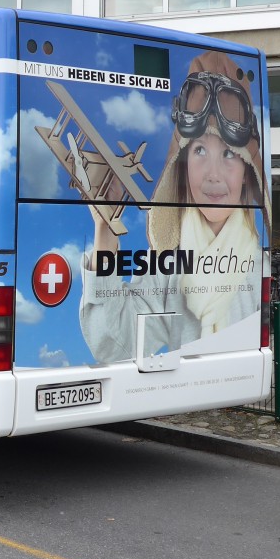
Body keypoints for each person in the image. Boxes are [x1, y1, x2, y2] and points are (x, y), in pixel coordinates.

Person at [80, 51, 266, 362]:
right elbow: (115, 346)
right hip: (191, 405)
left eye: (230, 153)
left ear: (249, 171)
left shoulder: (259, 266)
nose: (213, 175)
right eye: (201, 149)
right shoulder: (168, 264)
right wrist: (105, 233)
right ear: (183, 165)